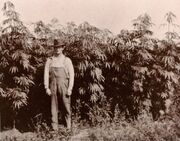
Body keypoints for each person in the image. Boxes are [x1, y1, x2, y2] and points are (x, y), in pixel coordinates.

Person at [44, 39, 74, 130]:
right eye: (55, 48)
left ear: (62, 48)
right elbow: (46, 74)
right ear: (54, 48)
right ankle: (54, 128)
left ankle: (68, 126)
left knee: (66, 104)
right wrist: (46, 87)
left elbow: (72, 75)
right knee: (53, 106)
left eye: (59, 47)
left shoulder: (66, 60)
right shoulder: (50, 60)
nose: (57, 49)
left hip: (64, 85)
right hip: (53, 85)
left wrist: (70, 88)